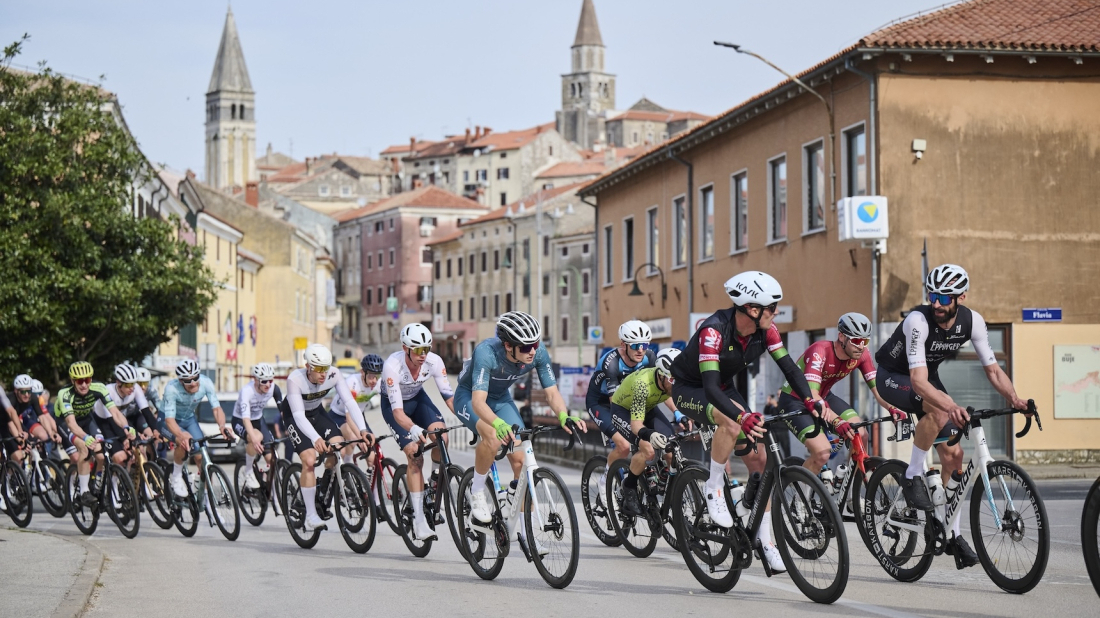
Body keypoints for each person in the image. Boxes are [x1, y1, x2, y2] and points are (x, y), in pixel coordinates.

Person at [875, 263, 1029, 568]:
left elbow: (994, 369)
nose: (936, 304)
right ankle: (912, 474)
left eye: (944, 299)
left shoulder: (973, 322)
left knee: (954, 457)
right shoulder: (917, 321)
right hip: (894, 377)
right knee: (937, 409)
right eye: (932, 295)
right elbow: (918, 382)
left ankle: (951, 532)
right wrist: (949, 405)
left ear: (961, 297)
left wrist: (1015, 398)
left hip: (924, 377)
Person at [669, 271, 820, 573]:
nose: (776, 312)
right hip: (691, 388)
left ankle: (765, 539)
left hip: (722, 387)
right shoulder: (714, 330)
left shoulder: (767, 331)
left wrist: (811, 398)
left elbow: (790, 368)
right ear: (753, 309)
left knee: (762, 461)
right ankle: (713, 487)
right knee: (733, 423)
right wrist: (741, 415)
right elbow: (710, 388)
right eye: (772, 306)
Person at [453, 311, 583, 547]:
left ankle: (526, 530)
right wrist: (499, 424)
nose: (532, 351)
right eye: (525, 347)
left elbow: (551, 392)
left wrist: (564, 416)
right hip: (470, 398)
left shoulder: (538, 352)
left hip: (501, 399)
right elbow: (478, 403)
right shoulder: (486, 352)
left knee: (522, 461)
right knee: (492, 436)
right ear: (508, 345)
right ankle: (478, 492)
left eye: (534, 344)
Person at [777, 313, 907, 475]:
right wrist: (837, 421)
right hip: (796, 400)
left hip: (824, 397)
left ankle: (850, 488)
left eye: (865, 341)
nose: (861, 346)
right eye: (856, 341)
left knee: (862, 434)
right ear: (841, 336)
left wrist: (892, 407)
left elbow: (878, 388)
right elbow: (812, 394)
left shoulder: (862, 355)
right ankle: (800, 498)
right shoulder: (819, 350)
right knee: (822, 453)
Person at [281, 344, 374, 532]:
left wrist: (362, 429)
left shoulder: (334, 374)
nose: (324, 374)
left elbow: (349, 402)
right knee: (309, 459)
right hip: (294, 415)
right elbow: (299, 416)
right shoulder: (295, 380)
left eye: (326, 368)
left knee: (337, 447)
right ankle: (310, 515)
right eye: (319, 369)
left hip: (316, 412)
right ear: (308, 366)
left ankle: (323, 492)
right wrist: (316, 438)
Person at [380, 325, 455, 541]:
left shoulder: (433, 361)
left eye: (427, 349)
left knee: (442, 437)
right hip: (395, 408)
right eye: (418, 350)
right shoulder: (392, 366)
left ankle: (432, 484)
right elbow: (397, 412)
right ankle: (419, 519)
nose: (423, 355)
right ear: (405, 348)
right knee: (414, 454)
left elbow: (449, 398)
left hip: (418, 400)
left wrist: (469, 418)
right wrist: (413, 428)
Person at [585, 320, 668, 492]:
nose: (640, 350)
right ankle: (606, 479)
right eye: (635, 345)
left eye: (644, 345)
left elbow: (662, 386)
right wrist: (637, 428)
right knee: (623, 445)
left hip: (635, 401)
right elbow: (615, 402)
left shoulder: (650, 357)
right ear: (623, 345)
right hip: (603, 403)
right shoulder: (611, 362)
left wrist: (677, 413)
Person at [55, 361, 136, 507]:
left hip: (87, 419)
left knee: (101, 453)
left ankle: (98, 484)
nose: (84, 384)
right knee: (84, 448)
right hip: (66, 422)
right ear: (73, 381)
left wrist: (126, 427)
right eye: (80, 381)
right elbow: (71, 424)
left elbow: (115, 412)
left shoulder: (99, 388)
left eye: (87, 380)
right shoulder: (65, 394)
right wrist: (85, 438)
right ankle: (84, 492)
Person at [615, 348, 684, 517]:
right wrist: (650, 434)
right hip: (623, 410)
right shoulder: (642, 385)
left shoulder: (666, 382)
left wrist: (679, 413)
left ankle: (666, 483)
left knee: (671, 447)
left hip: (648, 408)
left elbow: (668, 395)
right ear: (661, 375)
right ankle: (629, 486)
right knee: (648, 449)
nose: (677, 385)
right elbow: (637, 426)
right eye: (673, 380)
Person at [161, 359, 233, 498]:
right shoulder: (172, 388)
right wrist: (181, 436)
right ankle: (176, 476)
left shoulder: (206, 382)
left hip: (189, 419)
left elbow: (217, 409)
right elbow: (169, 420)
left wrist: (222, 426)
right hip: (168, 420)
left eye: (195, 378)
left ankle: (206, 499)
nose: (193, 382)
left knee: (202, 458)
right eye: (188, 381)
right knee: (183, 443)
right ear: (181, 381)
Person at [232, 363, 284, 489]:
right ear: (255, 379)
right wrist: (254, 440)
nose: (268, 384)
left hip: (259, 420)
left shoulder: (273, 388)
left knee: (273, 459)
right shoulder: (247, 391)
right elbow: (246, 419)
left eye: (270, 380)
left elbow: (283, 413)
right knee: (255, 437)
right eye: (264, 381)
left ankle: (267, 483)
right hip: (241, 421)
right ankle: (248, 471)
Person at [330, 354, 382, 465]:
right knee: (353, 440)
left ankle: (372, 481)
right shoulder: (352, 383)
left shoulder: (378, 383)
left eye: (377, 376)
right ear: (362, 372)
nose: (374, 380)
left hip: (358, 415)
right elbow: (349, 418)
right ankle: (348, 465)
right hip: (339, 415)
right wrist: (360, 438)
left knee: (373, 454)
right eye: (371, 376)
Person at [10, 375, 60, 453]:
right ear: (16, 391)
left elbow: (43, 416)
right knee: (19, 448)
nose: (26, 394)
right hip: (8, 422)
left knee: (42, 436)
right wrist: (22, 439)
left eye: (29, 391)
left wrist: (52, 433)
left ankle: (39, 461)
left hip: (21, 421)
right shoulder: (11, 400)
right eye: (23, 392)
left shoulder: (34, 398)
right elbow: (11, 422)